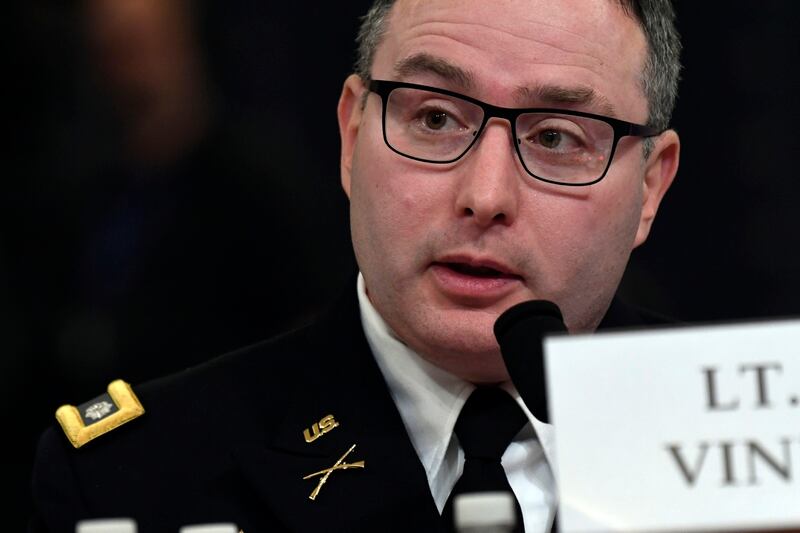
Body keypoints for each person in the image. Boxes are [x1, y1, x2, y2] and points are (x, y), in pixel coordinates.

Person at [28, 0, 681, 531]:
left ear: (650, 187)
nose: (485, 197)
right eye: (434, 118)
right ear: (351, 135)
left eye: (557, 137)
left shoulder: (759, 449)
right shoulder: (137, 476)